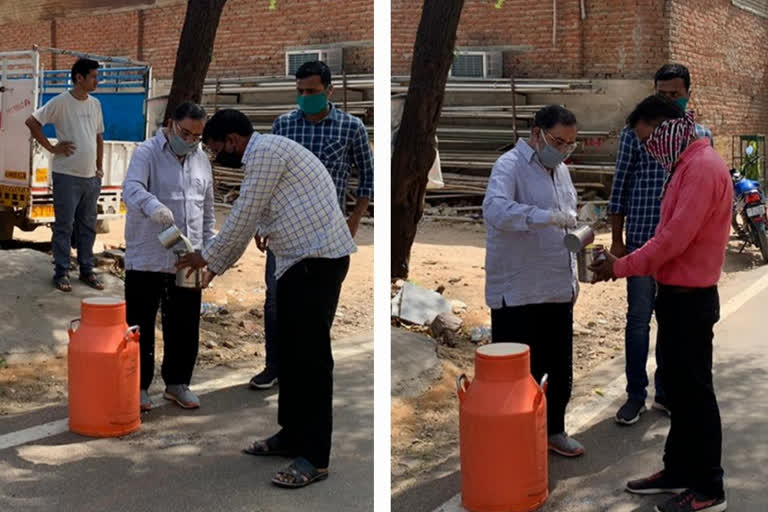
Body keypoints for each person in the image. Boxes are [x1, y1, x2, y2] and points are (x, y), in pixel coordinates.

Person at [177, 109, 356, 489]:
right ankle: (291, 435)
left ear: (233, 141)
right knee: (290, 355)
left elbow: (243, 214)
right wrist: (261, 230)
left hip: (317, 261)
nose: (215, 156)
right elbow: (266, 206)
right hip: (297, 260)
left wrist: (207, 258)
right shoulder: (268, 154)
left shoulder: (265, 154)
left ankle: (315, 457)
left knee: (311, 360)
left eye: (214, 148)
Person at [592, 95, 730, 512]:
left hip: (691, 301)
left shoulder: (702, 169)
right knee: (681, 396)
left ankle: (708, 488)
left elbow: (672, 240)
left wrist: (621, 267)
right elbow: (664, 232)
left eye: (648, 138)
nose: (647, 148)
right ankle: (679, 470)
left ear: (667, 127)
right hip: (675, 299)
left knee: (696, 396)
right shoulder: (684, 165)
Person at [248, 60, 374, 390]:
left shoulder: (351, 128)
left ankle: (307, 368)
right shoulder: (283, 126)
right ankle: (274, 365)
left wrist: (355, 218)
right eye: (300, 91)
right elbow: (266, 180)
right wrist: (262, 223)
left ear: (330, 91)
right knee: (276, 299)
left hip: (327, 234)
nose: (305, 97)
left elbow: (368, 176)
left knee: (318, 304)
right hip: (284, 232)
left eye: (312, 92)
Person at [608, 63, 713, 425]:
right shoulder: (636, 133)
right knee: (638, 320)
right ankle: (635, 394)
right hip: (641, 240)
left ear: (687, 94)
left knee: (671, 321)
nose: (668, 99)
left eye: (675, 94)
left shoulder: (700, 139)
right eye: (661, 93)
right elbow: (619, 186)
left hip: (679, 254)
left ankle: (666, 392)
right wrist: (618, 241)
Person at [483, 105, 584, 457]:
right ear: (537, 133)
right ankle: (518, 440)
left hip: (556, 288)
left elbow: (567, 217)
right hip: (520, 290)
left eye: (570, 144)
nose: (564, 149)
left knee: (558, 366)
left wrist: (574, 225)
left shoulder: (561, 172)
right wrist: (546, 217)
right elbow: (495, 211)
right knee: (520, 372)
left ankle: (554, 429)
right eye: (558, 141)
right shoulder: (508, 167)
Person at [122, 102, 214, 411]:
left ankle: (177, 383)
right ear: (171, 124)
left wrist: (207, 249)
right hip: (147, 254)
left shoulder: (201, 160)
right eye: (185, 132)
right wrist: (153, 206)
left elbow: (207, 208)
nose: (189, 140)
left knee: (184, 322)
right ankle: (138, 386)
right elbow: (131, 188)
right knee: (140, 323)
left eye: (196, 136)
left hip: (186, 257)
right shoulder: (146, 153)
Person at [26, 58, 105, 292]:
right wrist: (52, 148)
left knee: (88, 226)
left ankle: (86, 270)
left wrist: (99, 168)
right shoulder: (61, 102)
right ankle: (61, 272)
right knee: (64, 226)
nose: (96, 80)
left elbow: (98, 136)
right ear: (79, 78)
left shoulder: (95, 104)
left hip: (90, 177)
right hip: (66, 175)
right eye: (93, 76)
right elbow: (32, 121)